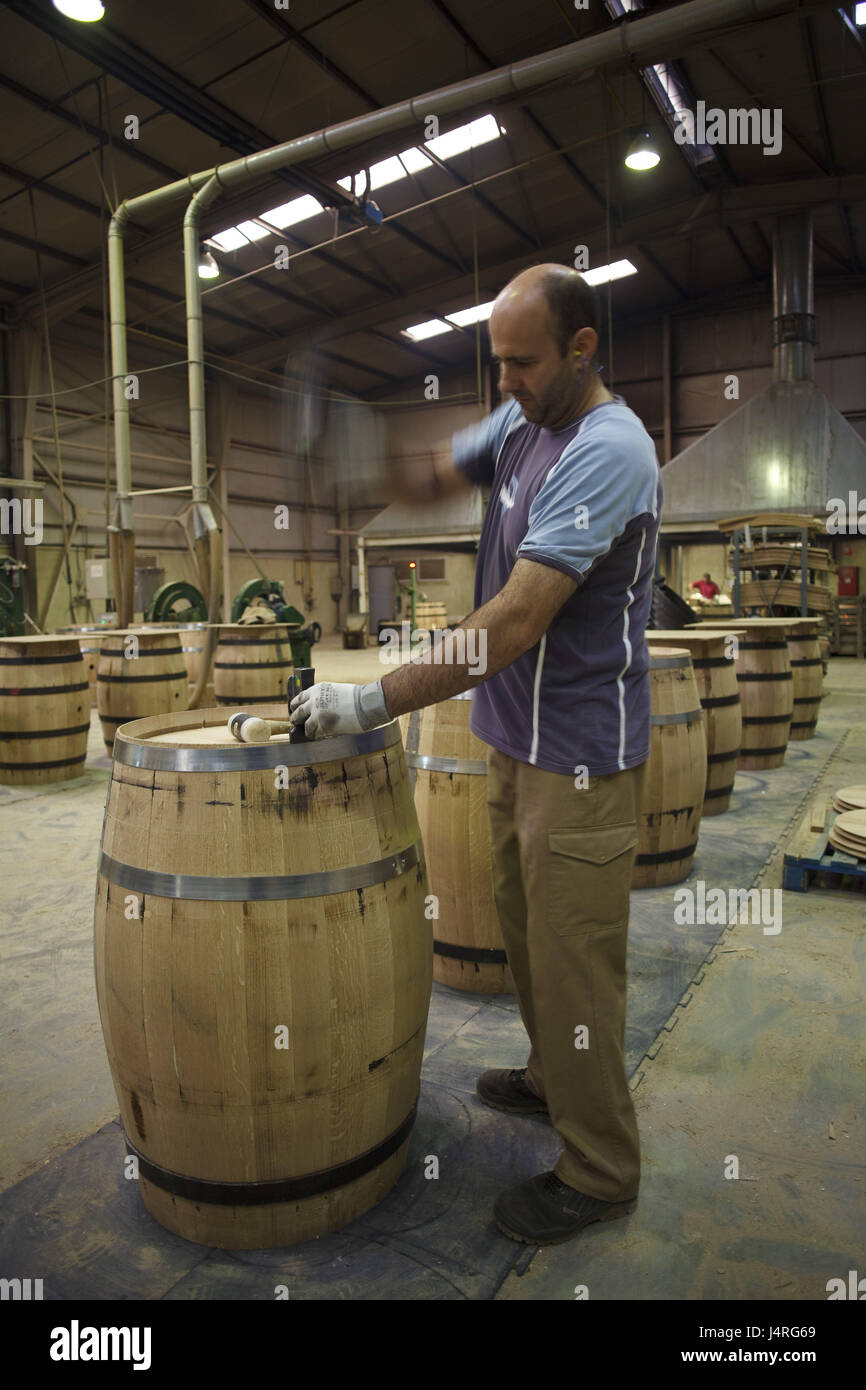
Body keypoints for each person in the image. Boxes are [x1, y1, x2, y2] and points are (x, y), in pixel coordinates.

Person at [290, 262, 662, 1247]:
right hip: (510, 736)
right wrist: (366, 456)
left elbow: (514, 620)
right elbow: (430, 477)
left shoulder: (607, 447)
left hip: (578, 751)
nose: (503, 382)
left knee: (576, 962)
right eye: (493, 362)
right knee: (524, 935)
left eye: (520, 363)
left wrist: (369, 697)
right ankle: (550, 1080)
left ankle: (599, 1169)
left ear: (580, 349)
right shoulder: (522, 418)